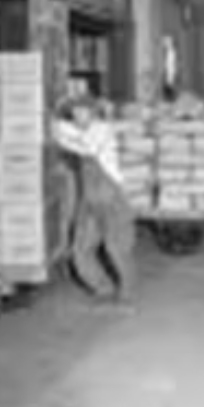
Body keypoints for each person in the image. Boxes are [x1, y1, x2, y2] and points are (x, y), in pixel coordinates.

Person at [51, 94, 136, 305]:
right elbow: (65, 130)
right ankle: (103, 289)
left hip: (111, 197)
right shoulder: (79, 130)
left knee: (117, 248)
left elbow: (87, 148)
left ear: (93, 112)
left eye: (83, 111)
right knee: (80, 251)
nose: (79, 116)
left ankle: (127, 295)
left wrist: (59, 137)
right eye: (75, 113)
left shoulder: (101, 129)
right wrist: (51, 124)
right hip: (89, 200)